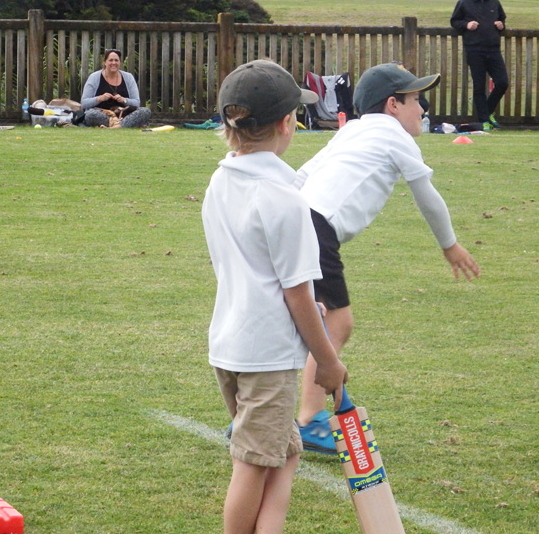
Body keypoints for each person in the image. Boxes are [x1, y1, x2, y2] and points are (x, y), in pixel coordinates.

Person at [293, 62, 481, 454]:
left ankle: (258, 411)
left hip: (294, 219)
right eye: (416, 100)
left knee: (306, 318)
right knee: (337, 323)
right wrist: (449, 245)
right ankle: (309, 419)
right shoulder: (394, 135)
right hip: (317, 229)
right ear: (393, 105)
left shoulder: (352, 131)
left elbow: (300, 176)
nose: (423, 109)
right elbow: (427, 196)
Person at [202, 59, 348, 534]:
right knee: (252, 464)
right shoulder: (285, 198)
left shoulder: (221, 181)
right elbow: (297, 293)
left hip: (231, 344)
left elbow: (255, 269)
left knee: (282, 456)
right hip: (267, 357)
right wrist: (328, 361)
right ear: (288, 123)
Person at [450, 0, 509, 130]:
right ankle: (484, 121)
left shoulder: (494, 2)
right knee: (479, 86)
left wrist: (501, 26)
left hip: (494, 49)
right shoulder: (464, 2)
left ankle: (487, 112)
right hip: (474, 49)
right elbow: (454, 21)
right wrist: (466, 25)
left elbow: (502, 20)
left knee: (502, 82)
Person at [80, 49, 151, 128]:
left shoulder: (128, 77)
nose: (113, 63)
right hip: (104, 114)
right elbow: (84, 103)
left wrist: (124, 100)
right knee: (90, 115)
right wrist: (100, 98)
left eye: (116, 60)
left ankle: (116, 126)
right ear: (105, 62)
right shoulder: (94, 77)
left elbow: (136, 103)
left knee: (145, 111)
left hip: (124, 115)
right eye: (110, 60)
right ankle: (122, 124)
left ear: (120, 62)